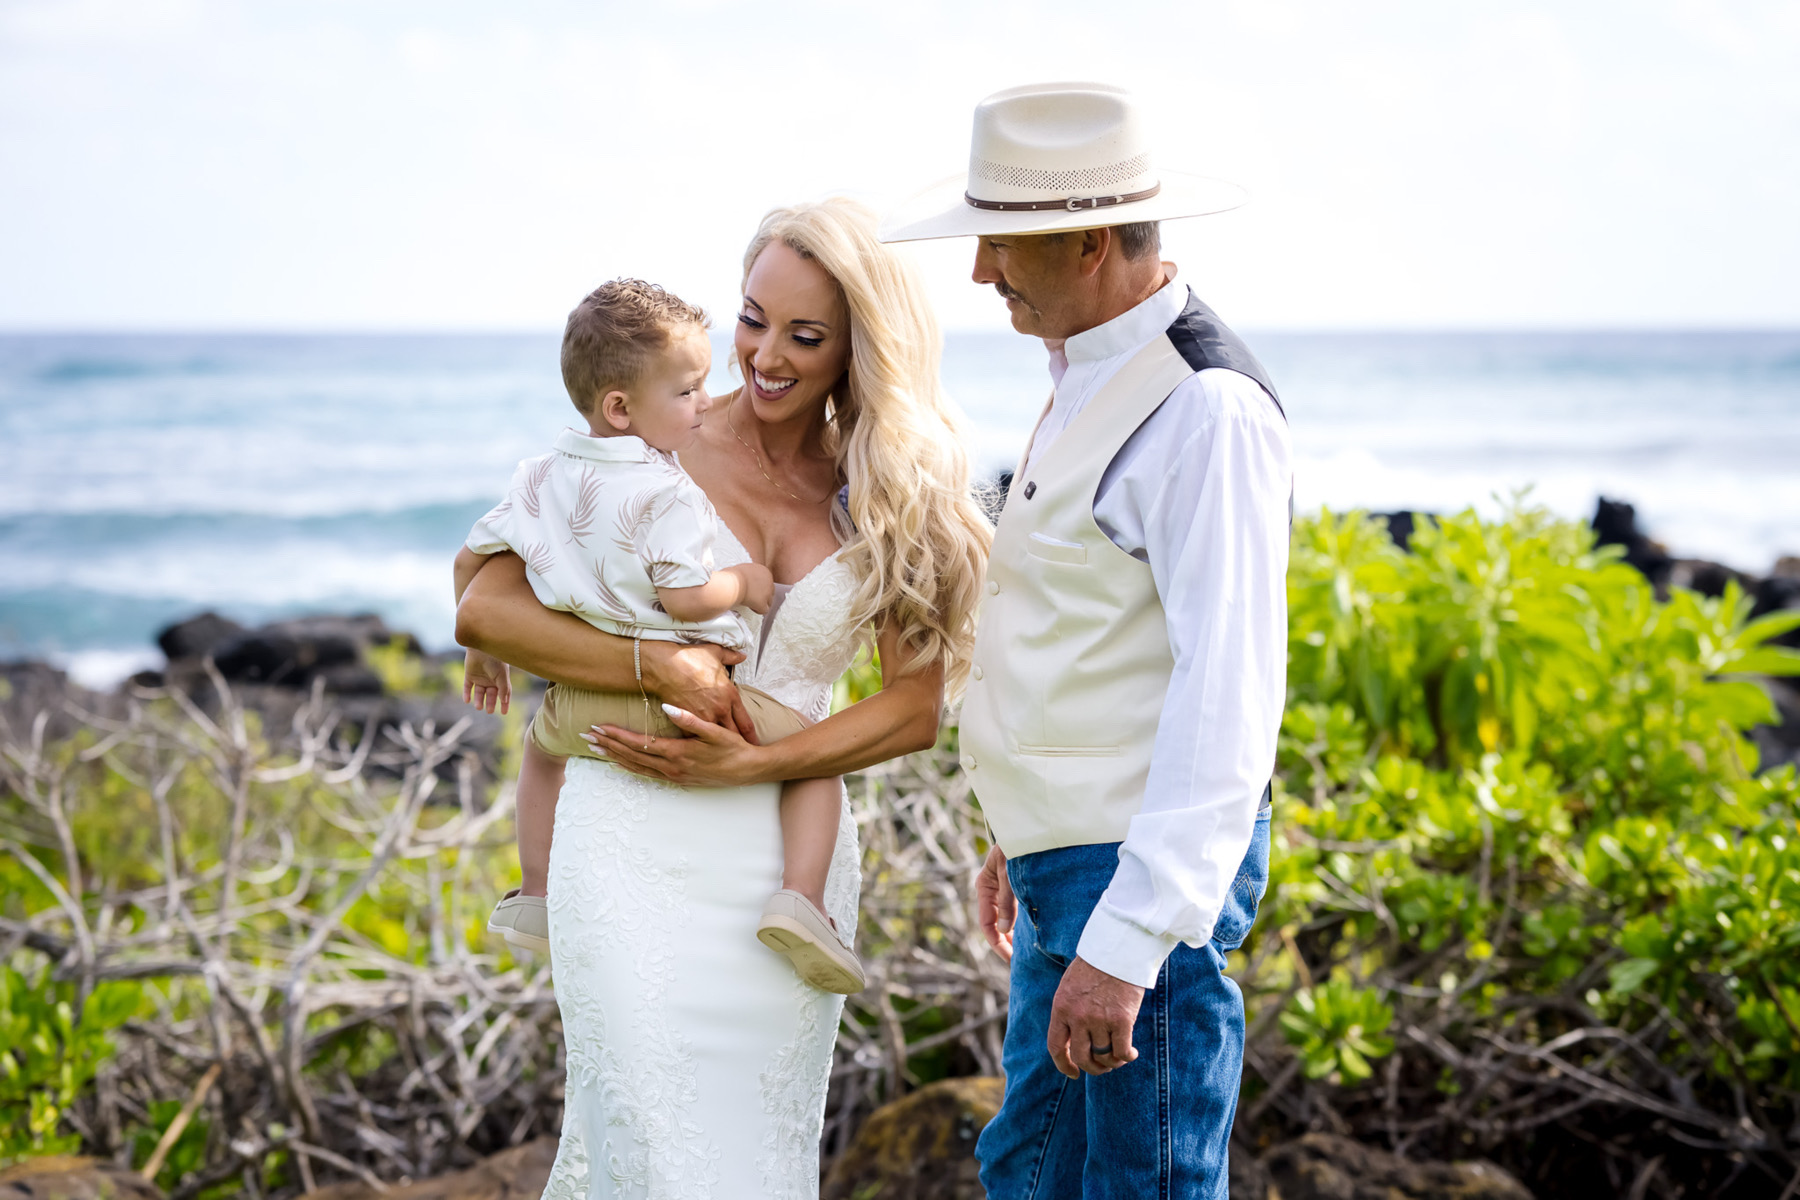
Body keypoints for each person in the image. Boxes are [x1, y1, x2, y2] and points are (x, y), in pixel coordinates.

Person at [454, 198, 991, 1195]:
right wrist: (655, 666)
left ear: (857, 348)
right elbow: (485, 609)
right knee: (646, 1143)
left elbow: (915, 707)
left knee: (749, 1161)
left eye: (805, 335)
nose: (766, 354)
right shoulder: (651, 440)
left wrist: (759, 762)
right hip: (625, 840)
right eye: (753, 318)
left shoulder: (882, 487)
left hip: (788, 872)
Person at [880, 82, 1293, 1198]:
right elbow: (1083, 634)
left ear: (1096, 240)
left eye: (1002, 245)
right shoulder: (1085, 375)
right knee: (1029, 1171)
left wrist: (1127, 940)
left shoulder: (1205, 410)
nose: (978, 275)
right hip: (1074, 868)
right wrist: (1022, 834)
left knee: (1137, 1186)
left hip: (1134, 890)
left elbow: (1230, 698)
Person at [455, 277, 864, 994]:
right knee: (811, 755)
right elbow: (682, 598)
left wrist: (482, 650)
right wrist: (746, 583)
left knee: (539, 755)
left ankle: (535, 890)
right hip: (687, 701)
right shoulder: (668, 489)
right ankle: (802, 900)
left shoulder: (539, 476)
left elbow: (470, 564)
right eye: (687, 391)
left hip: (581, 702)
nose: (705, 400)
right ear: (621, 407)